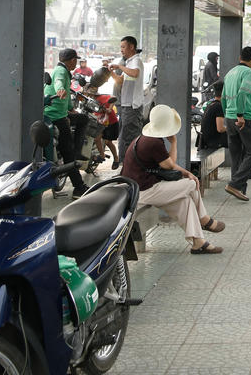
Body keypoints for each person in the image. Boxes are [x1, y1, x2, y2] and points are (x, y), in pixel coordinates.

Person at [120, 104, 225, 254]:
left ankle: (198, 243)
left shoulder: (146, 138)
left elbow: (169, 164)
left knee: (186, 201)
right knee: (191, 184)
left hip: (141, 188)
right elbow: (169, 165)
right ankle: (204, 219)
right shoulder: (153, 143)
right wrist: (174, 142)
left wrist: (186, 172)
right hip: (142, 192)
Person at [45, 48, 88, 197]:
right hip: (56, 117)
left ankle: (75, 151)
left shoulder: (64, 71)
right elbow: (58, 83)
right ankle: (78, 186)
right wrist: (60, 90)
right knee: (68, 151)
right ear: (71, 60)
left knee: (82, 118)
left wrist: (70, 108)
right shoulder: (61, 71)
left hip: (61, 113)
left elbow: (68, 95)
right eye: (75, 59)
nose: (76, 62)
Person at [222, 46, 251, 202]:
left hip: (229, 118)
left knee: (237, 154)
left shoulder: (230, 72)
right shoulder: (249, 72)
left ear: (240, 57)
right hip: (243, 117)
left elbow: (224, 96)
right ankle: (235, 184)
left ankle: (238, 188)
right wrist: (240, 115)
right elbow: (244, 92)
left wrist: (228, 115)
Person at [111, 36, 144, 170]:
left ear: (131, 47)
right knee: (124, 137)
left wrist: (119, 66)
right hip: (125, 105)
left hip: (132, 106)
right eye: (121, 47)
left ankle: (131, 168)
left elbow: (135, 73)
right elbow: (120, 81)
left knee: (129, 139)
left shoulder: (136, 61)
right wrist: (111, 72)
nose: (121, 50)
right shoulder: (129, 62)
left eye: (123, 47)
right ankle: (126, 167)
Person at [198, 80, 227, 153]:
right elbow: (220, 129)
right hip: (213, 142)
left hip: (205, 139)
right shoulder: (219, 106)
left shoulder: (211, 104)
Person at [92, 93, 120, 166]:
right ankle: (102, 155)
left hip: (111, 122)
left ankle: (116, 158)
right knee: (97, 138)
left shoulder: (102, 97)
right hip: (100, 122)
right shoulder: (88, 99)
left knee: (108, 142)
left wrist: (109, 108)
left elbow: (113, 97)